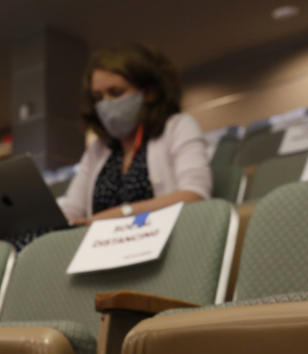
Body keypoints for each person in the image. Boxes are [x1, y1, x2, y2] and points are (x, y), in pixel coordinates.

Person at [58, 43, 211, 225]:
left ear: (149, 93)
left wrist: (120, 214)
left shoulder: (178, 127)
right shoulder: (99, 149)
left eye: (116, 93)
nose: (106, 104)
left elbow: (194, 195)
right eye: (98, 97)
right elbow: (72, 210)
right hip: (101, 249)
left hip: (163, 245)